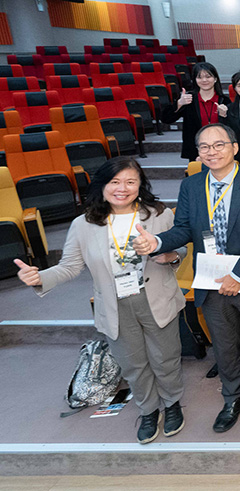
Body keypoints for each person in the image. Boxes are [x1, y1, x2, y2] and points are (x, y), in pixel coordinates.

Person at [16, 157, 186, 445]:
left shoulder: (158, 214)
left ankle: (172, 404)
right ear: (102, 186)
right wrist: (38, 278)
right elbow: (70, 266)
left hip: (157, 297)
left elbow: (180, 248)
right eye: (115, 182)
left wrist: (169, 255)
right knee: (132, 364)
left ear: (140, 185)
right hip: (114, 305)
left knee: (165, 358)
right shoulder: (83, 224)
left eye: (131, 182)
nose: (123, 188)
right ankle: (148, 410)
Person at [133, 123, 240, 434]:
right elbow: (184, 229)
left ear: (235, 147)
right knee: (224, 346)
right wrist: (157, 242)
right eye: (204, 147)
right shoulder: (191, 185)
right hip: (211, 280)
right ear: (198, 152)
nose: (211, 152)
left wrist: (238, 275)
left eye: (219, 145)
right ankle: (234, 397)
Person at [163, 62, 229, 161]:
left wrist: (225, 116)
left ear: (215, 79)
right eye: (199, 77)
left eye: (208, 76)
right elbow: (166, 119)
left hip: (220, 150)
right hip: (196, 152)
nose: (204, 80)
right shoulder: (188, 99)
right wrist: (179, 104)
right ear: (195, 80)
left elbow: (232, 129)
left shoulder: (225, 101)